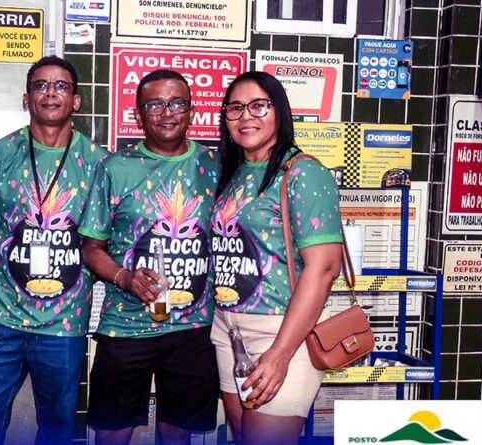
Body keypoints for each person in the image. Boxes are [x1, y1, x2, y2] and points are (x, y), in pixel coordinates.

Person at [0, 56, 108, 445]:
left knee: (57, 433)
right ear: (26, 99)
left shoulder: (98, 163)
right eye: (40, 85)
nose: (50, 93)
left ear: (76, 101)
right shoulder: (1, 154)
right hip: (0, 323)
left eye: (61, 86)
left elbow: (105, 242)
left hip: (64, 327)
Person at [79, 69, 219, 445]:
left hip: (194, 328)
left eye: (177, 103)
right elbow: (91, 247)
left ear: (192, 111)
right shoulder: (115, 168)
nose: (167, 112)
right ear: (138, 115)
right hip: (125, 328)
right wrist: (125, 278)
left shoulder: (215, 166)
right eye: (155, 104)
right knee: (112, 432)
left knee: (178, 434)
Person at [209, 71, 343, 445]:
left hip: (284, 332)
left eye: (258, 106)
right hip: (228, 330)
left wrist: (281, 353)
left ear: (279, 112)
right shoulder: (234, 172)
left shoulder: (303, 172)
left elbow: (324, 268)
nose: (246, 116)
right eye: (235, 108)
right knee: (242, 436)